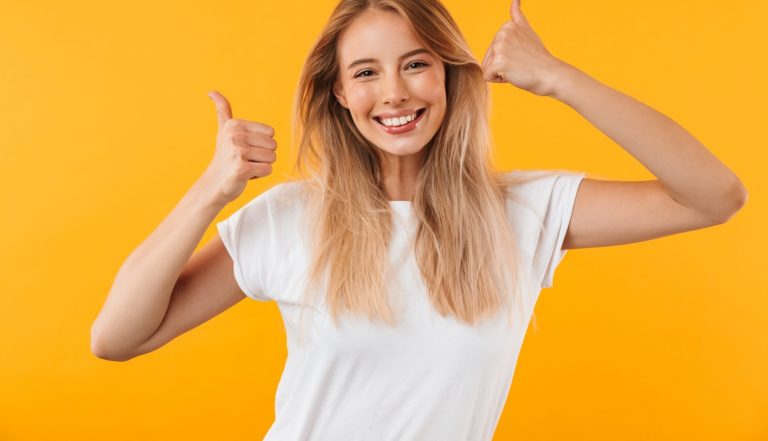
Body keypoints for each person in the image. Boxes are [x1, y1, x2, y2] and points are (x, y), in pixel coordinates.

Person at [91, 0, 748, 439]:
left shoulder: (521, 213)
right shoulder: (293, 217)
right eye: (367, 72)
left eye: (415, 64)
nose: (395, 92)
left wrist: (559, 78)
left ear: (448, 77)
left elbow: (713, 195)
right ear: (341, 93)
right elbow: (116, 336)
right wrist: (211, 190)